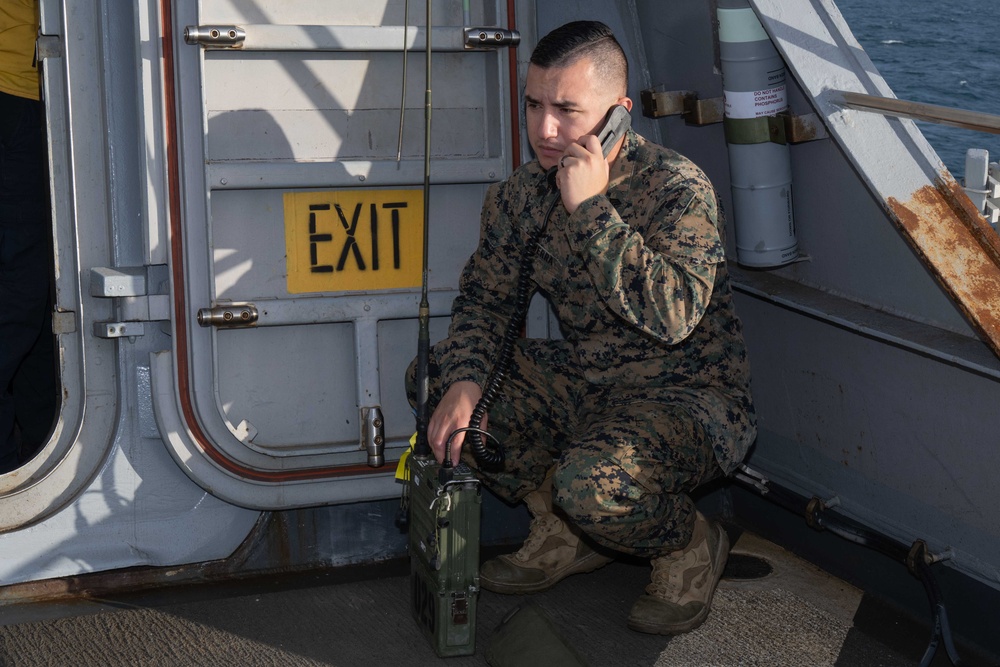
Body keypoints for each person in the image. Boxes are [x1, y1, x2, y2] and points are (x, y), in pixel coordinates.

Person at [408, 20, 755, 635]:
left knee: (590, 485)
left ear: (618, 114)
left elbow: (673, 316)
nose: (545, 129)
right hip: (591, 383)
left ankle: (688, 545)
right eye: (533, 105)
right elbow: (485, 307)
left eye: (567, 110)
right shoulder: (520, 196)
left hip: (687, 397)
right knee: (437, 382)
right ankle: (566, 529)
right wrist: (465, 382)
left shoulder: (676, 188)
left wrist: (592, 210)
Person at [1, 0, 57, 473]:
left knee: (35, 293)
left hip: (21, 95)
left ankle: (38, 451)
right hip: (15, 93)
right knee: (22, 290)